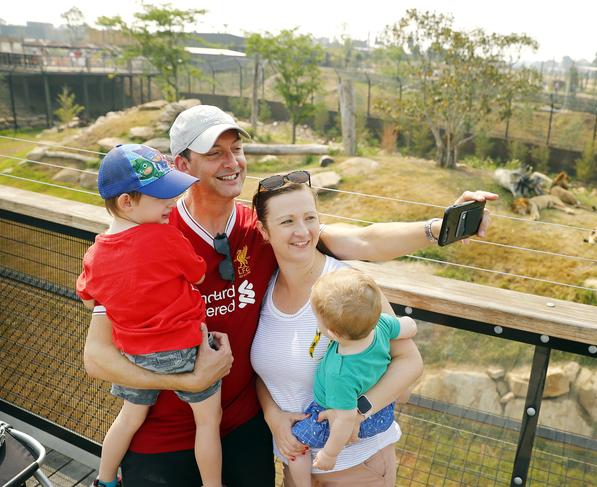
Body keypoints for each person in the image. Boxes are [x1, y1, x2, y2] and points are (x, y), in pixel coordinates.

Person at [83, 104, 498, 487]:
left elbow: (361, 241)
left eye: (237, 148)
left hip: (246, 432)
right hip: (163, 437)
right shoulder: (145, 237)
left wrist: (439, 227)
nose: (232, 162)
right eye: (214, 153)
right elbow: (96, 357)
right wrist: (185, 379)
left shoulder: (264, 229)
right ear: (182, 164)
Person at [251, 173, 424, 486]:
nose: (302, 231)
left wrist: (356, 411)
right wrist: (272, 416)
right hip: (297, 468)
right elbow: (261, 371)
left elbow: (409, 361)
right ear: (264, 230)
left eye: (310, 218)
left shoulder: (349, 288)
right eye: (287, 221)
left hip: (359, 467)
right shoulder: (262, 288)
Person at [76, 144, 223, 487]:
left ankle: (105, 479)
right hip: (184, 348)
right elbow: (198, 274)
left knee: (129, 418)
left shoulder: (95, 255)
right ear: (127, 201)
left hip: (135, 356)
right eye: (162, 197)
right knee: (208, 420)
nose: (172, 203)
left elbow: (87, 298)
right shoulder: (165, 237)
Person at [285, 267, 418, 485]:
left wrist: (330, 453)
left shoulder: (340, 372)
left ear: (335, 335)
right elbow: (409, 327)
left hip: (336, 416)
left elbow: (346, 418)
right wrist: (410, 325)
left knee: (296, 446)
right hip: (382, 412)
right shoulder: (381, 324)